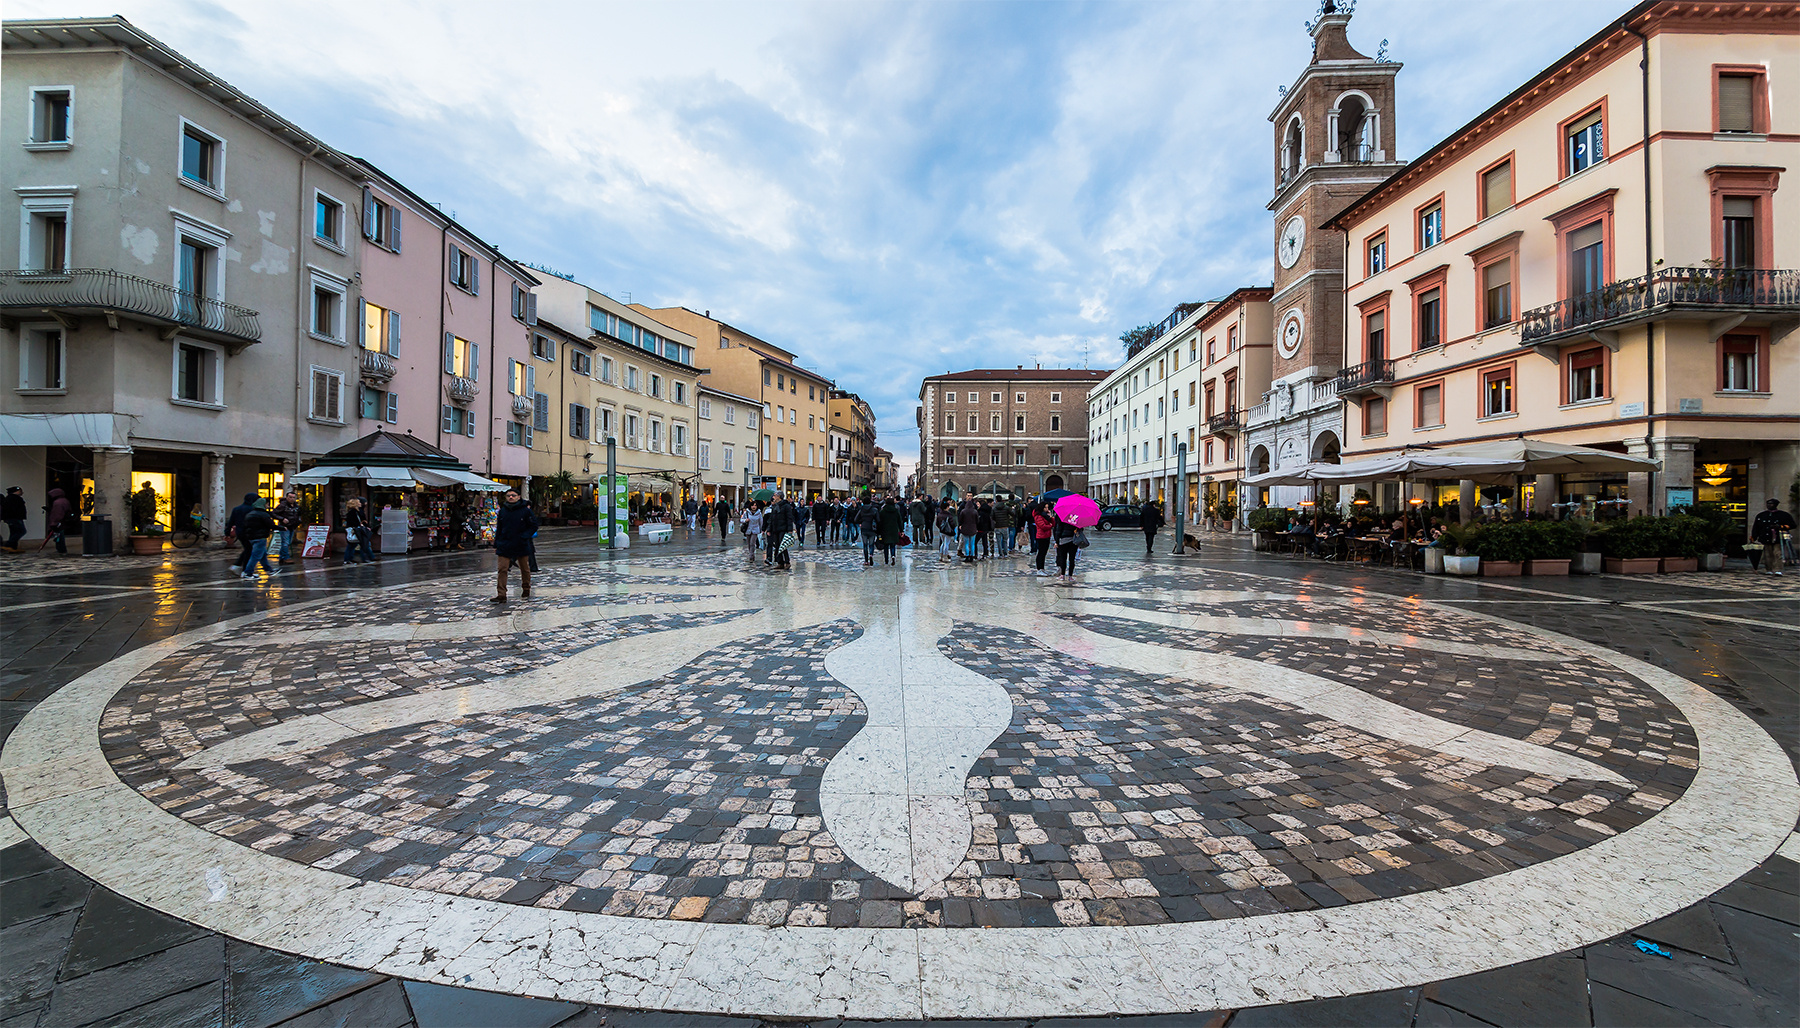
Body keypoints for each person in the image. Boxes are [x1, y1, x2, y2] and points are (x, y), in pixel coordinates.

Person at [491, 488, 538, 602]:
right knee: (502, 569)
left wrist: (525, 536)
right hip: (505, 543)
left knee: (525, 569)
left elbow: (533, 525)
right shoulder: (503, 511)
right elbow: (500, 528)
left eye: (513, 495)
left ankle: (526, 588)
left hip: (521, 543)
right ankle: (501, 594)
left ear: (518, 497)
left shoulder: (525, 511)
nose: (510, 497)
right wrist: (496, 543)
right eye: (508, 496)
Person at [1750, 498, 1796, 576]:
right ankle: (1769, 569)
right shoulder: (1762, 515)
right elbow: (1756, 527)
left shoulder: (1783, 515)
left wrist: (1781, 526)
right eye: (1768, 504)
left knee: (1778, 554)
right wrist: (1753, 537)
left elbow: (1792, 525)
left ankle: (1778, 569)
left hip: (1778, 538)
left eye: (1771, 504)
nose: (1769, 505)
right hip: (1765, 537)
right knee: (1767, 554)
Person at [239, 499, 279, 582]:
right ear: (263, 505)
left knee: (263, 555)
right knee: (256, 556)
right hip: (260, 537)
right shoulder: (263, 514)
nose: (268, 506)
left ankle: (269, 570)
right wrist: (282, 528)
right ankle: (248, 573)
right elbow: (271, 524)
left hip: (251, 537)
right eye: (267, 504)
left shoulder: (250, 514)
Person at [226, 492, 259, 573]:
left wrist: (227, 533)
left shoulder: (236, 509)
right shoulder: (252, 509)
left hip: (240, 532)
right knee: (249, 549)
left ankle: (238, 565)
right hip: (249, 532)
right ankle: (244, 568)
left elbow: (231, 522)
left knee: (248, 548)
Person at [341, 498, 375, 565]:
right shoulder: (353, 512)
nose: (360, 503)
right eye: (358, 502)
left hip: (356, 530)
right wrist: (360, 524)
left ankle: (349, 559)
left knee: (353, 545)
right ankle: (348, 559)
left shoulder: (354, 511)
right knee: (354, 545)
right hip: (355, 530)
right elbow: (352, 522)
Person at [42, 487, 74, 555]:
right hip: (62, 521)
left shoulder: (58, 503)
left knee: (59, 536)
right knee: (59, 536)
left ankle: (61, 550)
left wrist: (54, 522)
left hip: (58, 522)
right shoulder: (64, 501)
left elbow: (57, 513)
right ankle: (61, 549)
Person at [1053, 511, 1081, 581]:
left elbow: (1058, 529)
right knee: (1072, 559)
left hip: (1063, 540)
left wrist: (1057, 541)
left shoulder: (1062, 516)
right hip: (1074, 540)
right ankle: (1070, 576)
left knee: (1063, 558)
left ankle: (1062, 575)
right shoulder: (1076, 517)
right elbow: (1080, 529)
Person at [272, 494, 300, 563]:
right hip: (284, 526)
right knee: (285, 542)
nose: (292, 499)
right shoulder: (282, 505)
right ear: (287, 497)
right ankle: (286, 557)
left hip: (292, 526)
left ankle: (282, 557)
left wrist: (298, 521)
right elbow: (273, 513)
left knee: (288, 542)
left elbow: (298, 514)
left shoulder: (296, 506)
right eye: (290, 497)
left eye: (293, 497)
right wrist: (282, 519)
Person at [1030, 499, 1055, 575]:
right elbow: (1042, 526)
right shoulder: (1038, 516)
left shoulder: (1046, 516)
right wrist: (1050, 526)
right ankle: (1039, 569)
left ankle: (1042, 568)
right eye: (1046, 508)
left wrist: (1051, 517)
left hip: (1047, 535)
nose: (1047, 509)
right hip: (1041, 536)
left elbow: (1053, 524)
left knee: (1044, 553)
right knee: (1041, 553)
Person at [3, 486, 26, 551]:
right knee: (21, 531)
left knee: (14, 532)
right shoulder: (14, 499)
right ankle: (8, 544)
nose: (22, 493)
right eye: (20, 491)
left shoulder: (10, 498)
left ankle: (13, 547)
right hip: (15, 518)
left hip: (12, 518)